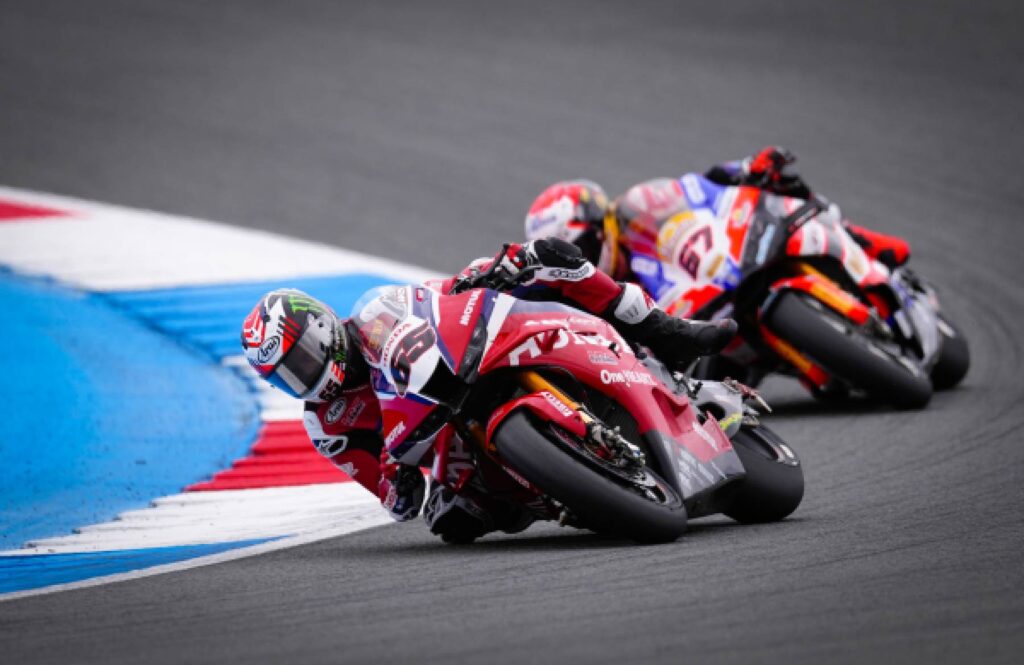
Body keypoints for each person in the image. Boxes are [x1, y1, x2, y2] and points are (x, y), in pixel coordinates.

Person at [241, 238, 736, 543]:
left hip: (476, 352)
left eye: (303, 357)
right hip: (448, 441)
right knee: (453, 522)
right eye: (289, 375)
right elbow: (391, 500)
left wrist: (487, 272)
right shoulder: (327, 425)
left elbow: (436, 295)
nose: (304, 376)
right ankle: (579, 489)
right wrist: (402, 481)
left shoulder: (375, 315)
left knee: (546, 255)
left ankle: (666, 330)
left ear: (323, 328)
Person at [524, 147, 911, 281]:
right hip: (707, 328)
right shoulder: (602, 296)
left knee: (783, 191)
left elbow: (699, 187)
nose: (586, 257)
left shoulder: (640, 211)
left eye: (586, 245)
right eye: (574, 255)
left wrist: (746, 168)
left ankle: (863, 242)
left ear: (600, 222)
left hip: (727, 260)